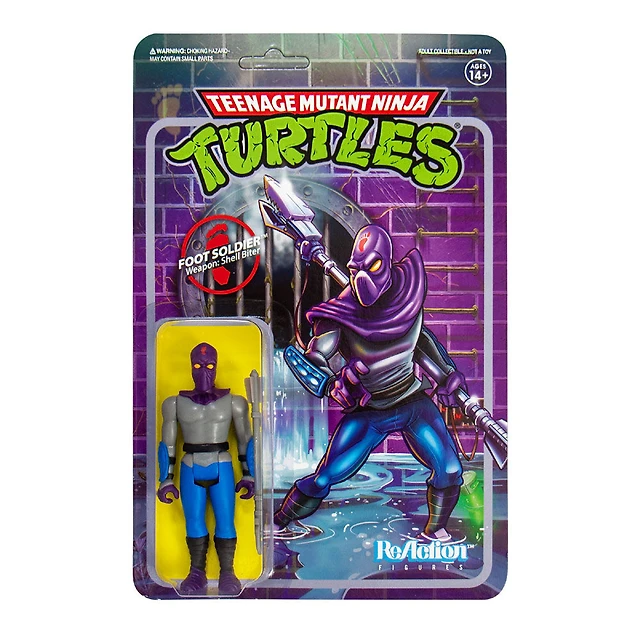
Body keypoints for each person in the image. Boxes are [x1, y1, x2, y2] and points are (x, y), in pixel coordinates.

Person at [275, 225, 464, 542]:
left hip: (412, 401)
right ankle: (281, 521)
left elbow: (421, 343)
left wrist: (447, 376)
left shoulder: (407, 297)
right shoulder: (341, 314)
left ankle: (435, 530)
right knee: (325, 477)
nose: (362, 278)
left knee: (450, 469)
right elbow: (314, 357)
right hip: (370, 410)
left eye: (373, 266)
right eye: (355, 269)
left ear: (387, 263)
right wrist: (333, 382)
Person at [157, 342, 255, 595]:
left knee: (226, 521)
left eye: (210, 366)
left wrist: (249, 474)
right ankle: (196, 573)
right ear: (190, 367)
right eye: (198, 366)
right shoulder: (174, 403)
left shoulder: (234, 402)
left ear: (217, 365)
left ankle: (228, 572)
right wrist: (165, 479)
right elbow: (167, 443)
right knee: (193, 522)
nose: (204, 372)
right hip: (190, 465)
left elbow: (245, 439)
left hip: (221, 464)